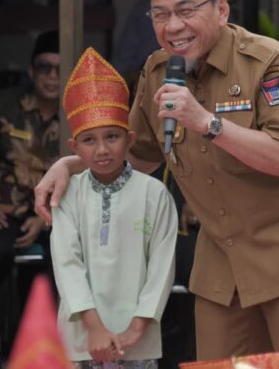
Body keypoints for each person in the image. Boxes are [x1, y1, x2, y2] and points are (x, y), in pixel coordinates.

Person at [35, 0, 279, 360]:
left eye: (186, 10)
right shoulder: (157, 71)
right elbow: (140, 155)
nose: (174, 27)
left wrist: (206, 122)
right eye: (160, 14)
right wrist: (66, 165)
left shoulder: (265, 60)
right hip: (223, 256)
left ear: (221, 9)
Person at [51, 48, 177, 367]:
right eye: (89, 140)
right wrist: (94, 328)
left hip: (138, 339)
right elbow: (67, 265)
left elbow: (162, 267)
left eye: (112, 136)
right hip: (82, 338)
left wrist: (138, 327)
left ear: (130, 139)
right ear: (74, 147)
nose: (103, 149)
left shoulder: (154, 193)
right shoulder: (68, 194)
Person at [0, 30, 60, 319]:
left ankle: (32, 346)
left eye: (60, 69)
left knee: (67, 260)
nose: (52, 76)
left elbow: (84, 176)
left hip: (51, 216)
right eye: (44, 67)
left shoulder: (74, 116)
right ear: (31, 71)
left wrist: (44, 220)